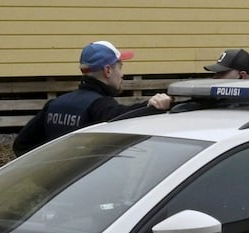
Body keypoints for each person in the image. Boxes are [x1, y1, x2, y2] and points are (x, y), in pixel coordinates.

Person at [13, 41, 175, 155]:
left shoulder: (55, 105)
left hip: (56, 193)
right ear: (107, 71)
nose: (122, 74)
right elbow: (122, 116)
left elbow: (22, 145)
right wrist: (151, 105)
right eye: (120, 67)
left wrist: (48, 178)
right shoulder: (100, 106)